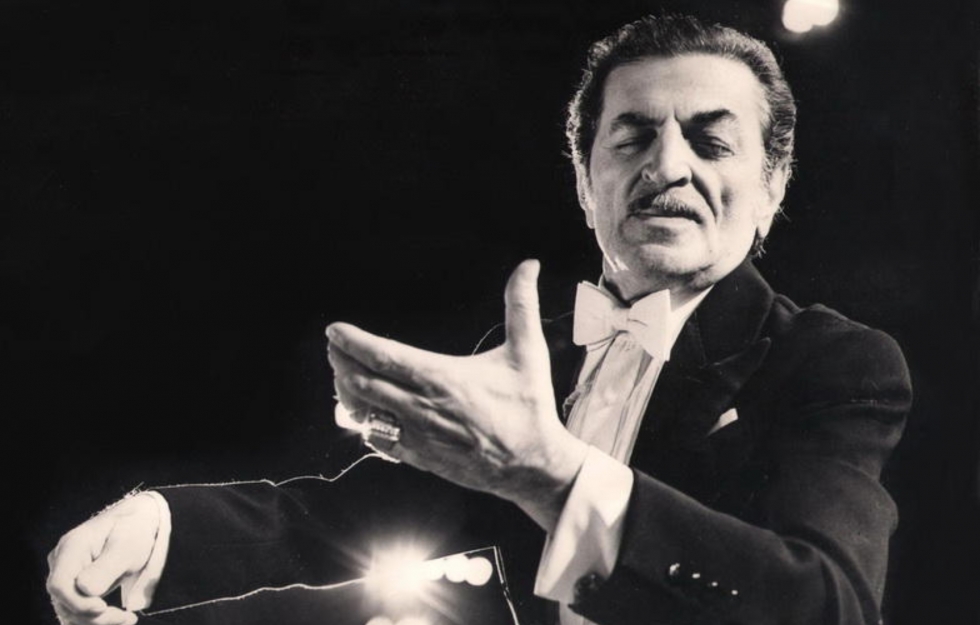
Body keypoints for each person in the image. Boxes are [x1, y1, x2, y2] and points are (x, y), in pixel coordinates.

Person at [46, 14, 911, 625]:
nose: (668, 166)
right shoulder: (537, 359)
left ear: (772, 187)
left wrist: (554, 476)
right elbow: (338, 519)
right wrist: (155, 522)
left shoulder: (834, 362)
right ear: (586, 182)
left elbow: (828, 605)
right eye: (633, 138)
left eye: (711, 141)